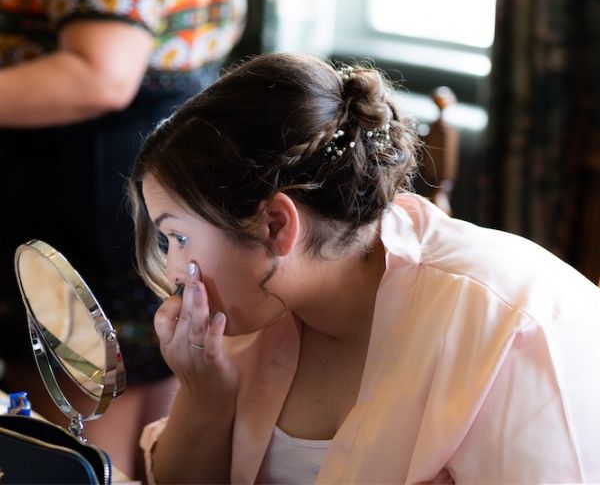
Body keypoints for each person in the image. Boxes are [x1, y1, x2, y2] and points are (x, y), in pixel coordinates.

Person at [128, 52, 600, 484]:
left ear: (275, 225)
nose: (173, 270)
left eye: (179, 238)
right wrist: (206, 396)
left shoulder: (507, 331)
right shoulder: (248, 312)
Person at [0, 0, 245, 478]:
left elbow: (101, 75)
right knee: (144, 435)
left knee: (72, 447)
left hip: (89, 196)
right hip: (164, 188)